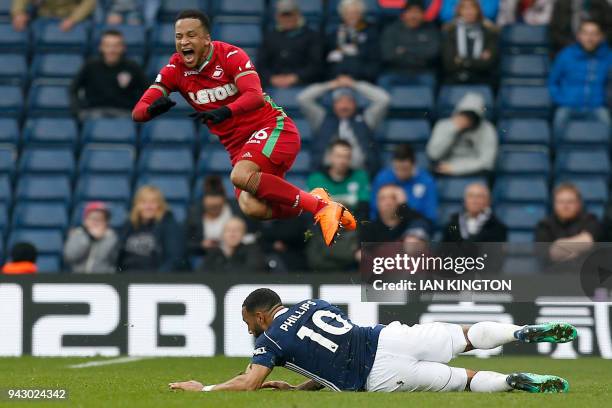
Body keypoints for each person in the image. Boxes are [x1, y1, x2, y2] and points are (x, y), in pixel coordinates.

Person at [132, 9, 356, 247]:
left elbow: (255, 96)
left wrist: (225, 111)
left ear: (206, 38)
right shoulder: (175, 70)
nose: (184, 42)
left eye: (191, 35)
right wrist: (152, 110)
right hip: (240, 148)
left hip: (274, 129)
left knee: (240, 176)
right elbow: (138, 111)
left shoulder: (230, 55)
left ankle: (322, 207)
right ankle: (317, 202)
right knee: (252, 207)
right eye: (178, 37)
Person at [168, 288, 576, 393]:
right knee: (465, 335)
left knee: (464, 381)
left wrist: (202, 387)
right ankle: (519, 332)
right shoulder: (316, 302)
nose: (250, 330)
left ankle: (513, 380)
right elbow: (332, 348)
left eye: (248, 322)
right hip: (386, 337)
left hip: (377, 376)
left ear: (260, 315)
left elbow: (248, 382)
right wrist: (298, 387)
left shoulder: (270, 340)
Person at [297, 75, 389, 176]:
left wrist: (355, 85)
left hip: (360, 175)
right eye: (340, 101)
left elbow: (384, 99)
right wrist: (331, 85)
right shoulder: (322, 118)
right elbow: (303, 98)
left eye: (349, 101)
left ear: (355, 104)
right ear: (333, 104)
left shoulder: (365, 118)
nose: (344, 106)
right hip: (326, 175)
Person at [549, 20, 611, 136]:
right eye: (586, 33)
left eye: (594, 34)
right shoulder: (566, 55)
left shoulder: (608, 57)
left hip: (597, 106)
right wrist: (561, 100)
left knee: (608, 127)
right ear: (579, 36)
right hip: (568, 105)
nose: (589, 38)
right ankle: (556, 153)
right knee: (558, 122)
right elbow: (553, 82)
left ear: (600, 37)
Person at [71, 29, 148, 121]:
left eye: (116, 46)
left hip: (125, 115)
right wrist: (78, 112)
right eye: (107, 45)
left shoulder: (132, 67)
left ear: (123, 47)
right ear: (101, 47)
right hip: (93, 114)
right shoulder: (90, 66)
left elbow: (148, 90)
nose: (112, 50)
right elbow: (73, 90)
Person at [117, 185, 187, 273]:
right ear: (137, 204)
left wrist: (155, 280)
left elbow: (175, 259)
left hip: (153, 280)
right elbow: (116, 256)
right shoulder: (128, 226)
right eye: (143, 202)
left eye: (153, 202)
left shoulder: (169, 225)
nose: (148, 206)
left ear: (160, 205)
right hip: (125, 278)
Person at [427, 92, 498, 177]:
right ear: (458, 112)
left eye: (472, 115)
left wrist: (455, 168)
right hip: (444, 173)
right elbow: (434, 154)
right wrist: (453, 129)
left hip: (476, 175)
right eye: (465, 114)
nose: (468, 118)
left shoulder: (487, 129)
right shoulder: (443, 125)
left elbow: (487, 162)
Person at [257, 0, 322, 88]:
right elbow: (261, 64)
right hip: (271, 84)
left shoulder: (312, 36)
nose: (287, 19)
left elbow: (316, 65)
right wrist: (271, 78)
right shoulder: (270, 37)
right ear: (277, 17)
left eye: (290, 15)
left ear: (298, 15)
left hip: (303, 84)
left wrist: (296, 77)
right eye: (283, 15)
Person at [379, 0, 441, 88]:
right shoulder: (391, 30)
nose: (413, 16)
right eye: (410, 12)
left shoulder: (431, 30)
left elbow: (432, 54)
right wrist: (419, 52)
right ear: (403, 14)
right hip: (396, 71)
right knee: (384, 81)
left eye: (417, 12)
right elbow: (388, 55)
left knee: (430, 81)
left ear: (423, 15)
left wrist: (404, 50)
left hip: (423, 72)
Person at [535, 183, 601, 264]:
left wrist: (559, 245)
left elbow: (587, 241)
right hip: (553, 273)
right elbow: (550, 253)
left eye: (570, 202)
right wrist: (579, 251)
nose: (565, 206)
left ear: (578, 204)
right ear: (554, 204)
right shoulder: (544, 225)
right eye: (561, 202)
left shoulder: (590, 220)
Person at [370, 144, 438, 222]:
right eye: (397, 169)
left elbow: (431, 215)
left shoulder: (427, 181)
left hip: (414, 225)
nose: (400, 173)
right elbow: (374, 210)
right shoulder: (383, 178)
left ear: (414, 164)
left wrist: (404, 205)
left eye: (404, 169)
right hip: (387, 225)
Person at [307, 140, 370, 221]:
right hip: (322, 224)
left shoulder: (360, 177)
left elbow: (364, 207)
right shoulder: (316, 179)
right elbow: (310, 210)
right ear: (330, 157)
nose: (342, 161)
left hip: (352, 224)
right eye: (339, 156)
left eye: (346, 157)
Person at [441, 0, 499, 85]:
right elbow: (449, 63)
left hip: (482, 78)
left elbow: (489, 63)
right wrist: (477, 61)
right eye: (465, 8)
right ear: (459, 11)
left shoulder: (488, 32)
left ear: (478, 11)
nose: (469, 12)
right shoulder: (451, 32)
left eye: (472, 8)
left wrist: (462, 61)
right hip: (455, 78)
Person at [326, 0, 380, 82]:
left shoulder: (371, 33)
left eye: (355, 13)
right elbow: (326, 63)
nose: (352, 16)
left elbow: (374, 64)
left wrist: (353, 77)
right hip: (336, 81)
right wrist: (338, 77)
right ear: (342, 15)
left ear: (361, 14)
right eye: (348, 13)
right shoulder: (334, 34)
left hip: (362, 81)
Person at [361, 184, 430, 244]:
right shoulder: (369, 228)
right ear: (377, 203)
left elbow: (423, 221)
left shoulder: (409, 223)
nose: (388, 202)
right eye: (383, 198)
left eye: (393, 198)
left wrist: (404, 205)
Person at [185, 175, 235, 257]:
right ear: (203, 201)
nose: (214, 209)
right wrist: (201, 245)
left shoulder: (235, 209)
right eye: (210, 207)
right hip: (205, 257)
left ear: (224, 200)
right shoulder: (194, 214)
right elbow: (185, 241)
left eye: (217, 206)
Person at [63, 201, 118, 273]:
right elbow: (69, 257)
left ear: (106, 222)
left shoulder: (112, 238)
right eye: (93, 218)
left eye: (101, 219)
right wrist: (89, 238)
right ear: (85, 220)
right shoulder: (77, 234)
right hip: (78, 279)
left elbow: (115, 262)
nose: (96, 222)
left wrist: (100, 239)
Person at [443, 183, 507, 242]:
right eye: (470, 196)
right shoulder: (453, 225)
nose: (474, 200)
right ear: (464, 200)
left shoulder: (497, 228)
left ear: (488, 201)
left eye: (479, 196)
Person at [200, 217, 266, 273]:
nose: (232, 234)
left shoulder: (253, 250)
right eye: (228, 230)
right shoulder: (214, 253)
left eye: (237, 230)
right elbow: (202, 273)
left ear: (243, 234)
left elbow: (252, 271)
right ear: (222, 235)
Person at [11, 0, 96, 32]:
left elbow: (89, 2)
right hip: (44, 18)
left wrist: (73, 19)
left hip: (70, 18)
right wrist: (18, 13)